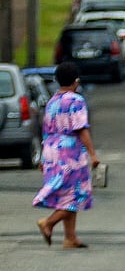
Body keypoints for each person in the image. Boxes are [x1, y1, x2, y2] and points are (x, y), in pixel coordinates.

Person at [33, 62, 100, 250]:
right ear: (76, 81)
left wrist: (42, 158)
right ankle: (49, 223)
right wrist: (93, 154)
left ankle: (70, 237)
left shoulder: (52, 101)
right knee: (76, 194)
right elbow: (81, 129)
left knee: (66, 194)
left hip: (52, 151)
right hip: (70, 153)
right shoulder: (76, 100)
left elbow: (46, 131)